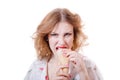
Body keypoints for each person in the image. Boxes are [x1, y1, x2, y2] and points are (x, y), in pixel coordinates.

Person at [24, 8, 103, 80]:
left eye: (67, 34)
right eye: (54, 35)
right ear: (47, 38)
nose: (62, 42)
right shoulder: (36, 67)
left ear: (74, 36)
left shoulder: (88, 65)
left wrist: (83, 73)